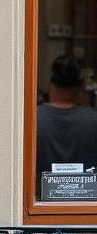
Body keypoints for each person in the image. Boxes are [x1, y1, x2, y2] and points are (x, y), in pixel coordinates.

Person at [35, 54, 97, 199]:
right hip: (86, 205)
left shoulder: (32, 120)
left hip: (39, 204)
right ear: (80, 87)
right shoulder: (93, 121)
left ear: (50, 84)